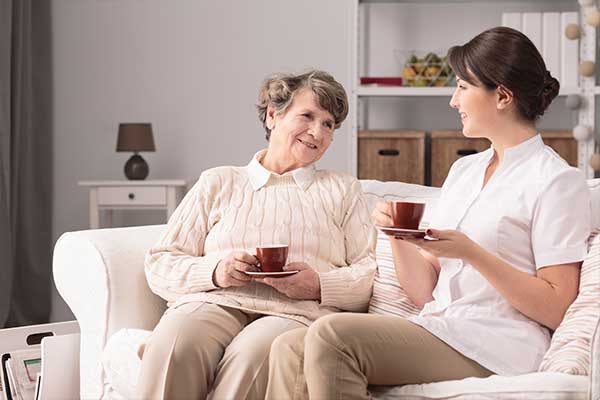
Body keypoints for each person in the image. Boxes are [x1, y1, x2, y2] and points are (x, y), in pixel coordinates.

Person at [266, 27, 592, 399]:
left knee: (332, 336)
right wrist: (399, 237)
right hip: (440, 325)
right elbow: (424, 292)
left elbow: (556, 306)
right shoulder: (464, 172)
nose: (454, 101)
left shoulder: (556, 181)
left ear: (502, 95)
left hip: (500, 343)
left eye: (463, 87)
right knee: (288, 347)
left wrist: (473, 253)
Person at [136, 70, 377, 399]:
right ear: (273, 115)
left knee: (253, 356)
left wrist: (317, 284)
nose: (317, 131)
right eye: (307, 116)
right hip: (213, 301)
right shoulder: (218, 182)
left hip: (295, 313)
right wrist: (217, 271)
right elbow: (161, 263)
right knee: (174, 344)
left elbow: (368, 274)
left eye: (328, 124)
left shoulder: (343, 189)